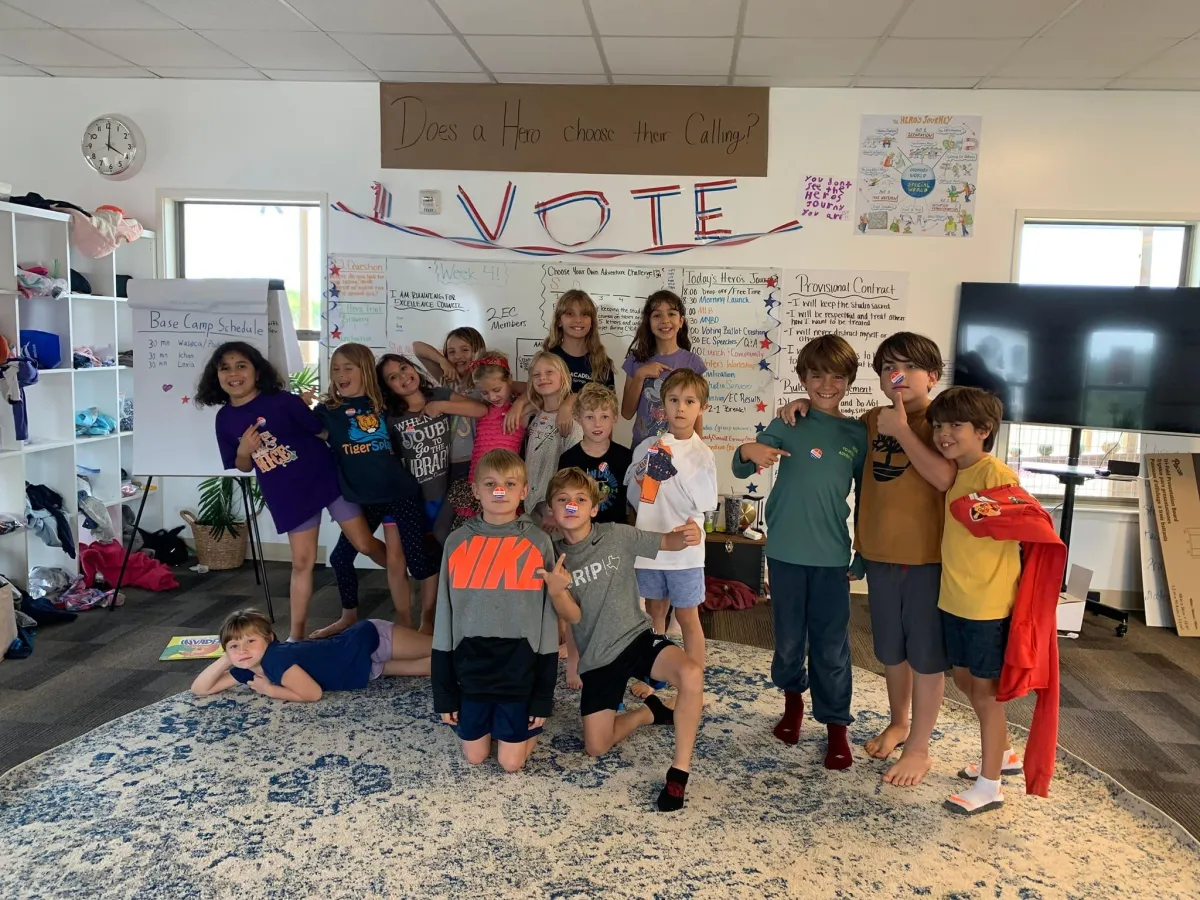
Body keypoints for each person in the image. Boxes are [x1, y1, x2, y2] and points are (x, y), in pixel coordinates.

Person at [777, 332, 955, 788]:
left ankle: (919, 747)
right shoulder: (871, 421)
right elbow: (830, 429)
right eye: (889, 367)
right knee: (891, 651)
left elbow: (943, 477)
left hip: (924, 558)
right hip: (878, 556)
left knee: (925, 656)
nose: (898, 375)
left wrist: (903, 432)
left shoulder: (942, 419)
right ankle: (899, 723)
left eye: (909, 367)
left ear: (933, 376)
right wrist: (801, 403)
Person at [195, 341, 389, 642]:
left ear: (257, 372)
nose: (233, 374)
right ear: (216, 376)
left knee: (365, 544)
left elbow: (322, 432)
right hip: (287, 495)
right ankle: (296, 636)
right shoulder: (225, 419)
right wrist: (245, 450)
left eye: (241, 366)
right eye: (225, 368)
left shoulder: (282, 401)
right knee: (302, 563)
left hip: (325, 479)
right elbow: (242, 465)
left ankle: (413, 576)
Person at [734, 335, 867, 771]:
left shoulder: (857, 434)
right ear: (803, 378)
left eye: (836, 377)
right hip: (786, 554)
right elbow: (741, 465)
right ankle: (793, 704)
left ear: (849, 380)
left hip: (831, 558)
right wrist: (748, 450)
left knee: (831, 648)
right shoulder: (789, 420)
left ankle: (836, 728)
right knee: (789, 641)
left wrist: (863, 551)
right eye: (816, 375)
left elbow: (867, 498)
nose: (826, 385)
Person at [544, 467, 705, 811]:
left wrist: (690, 534)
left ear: (594, 508)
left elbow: (668, 542)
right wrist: (557, 592)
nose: (571, 505)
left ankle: (679, 772)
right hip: (597, 659)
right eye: (562, 500)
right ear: (552, 510)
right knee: (596, 746)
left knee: (691, 673)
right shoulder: (553, 556)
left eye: (580, 499)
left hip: (637, 639)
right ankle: (649, 712)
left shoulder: (618, 535)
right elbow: (574, 617)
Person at [431, 450, 562, 773]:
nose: (499, 491)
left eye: (509, 484)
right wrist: (445, 695)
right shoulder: (457, 542)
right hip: (471, 671)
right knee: (475, 756)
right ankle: (492, 721)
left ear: (524, 491)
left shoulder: (539, 542)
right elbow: (444, 618)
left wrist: (542, 697)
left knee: (510, 763)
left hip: (519, 672)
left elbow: (547, 621)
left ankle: (520, 723)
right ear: (475, 491)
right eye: (490, 484)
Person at [928, 387, 1023, 815]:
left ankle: (990, 786)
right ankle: (1004, 754)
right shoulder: (956, 474)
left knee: (986, 695)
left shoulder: (995, 473)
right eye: (938, 425)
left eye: (955, 425)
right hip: (956, 598)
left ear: (984, 430)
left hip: (986, 604)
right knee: (966, 682)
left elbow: (1018, 522)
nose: (944, 433)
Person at [313, 343, 434, 637]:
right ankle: (348, 616)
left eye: (348, 367)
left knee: (419, 563)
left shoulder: (385, 403)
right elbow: (303, 433)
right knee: (340, 558)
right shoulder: (327, 411)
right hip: (363, 500)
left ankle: (429, 619)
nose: (340, 374)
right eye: (335, 369)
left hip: (400, 493)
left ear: (365, 370)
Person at [378, 353, 488, 630]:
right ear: (387, 386)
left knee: (433, 555)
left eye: (404, 368)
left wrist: (442, 405)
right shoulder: (390, 416)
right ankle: (403, 621)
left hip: (438, 493)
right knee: (397, 558)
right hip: (406, 497)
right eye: (393, 377)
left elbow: (480, 410)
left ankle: (427, 618)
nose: (403, 377)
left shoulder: (438, 395)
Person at [626, 368, 718, 668]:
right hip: (651, 546)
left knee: (687, 616)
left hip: (685, 555)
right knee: (654, 611)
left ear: (702, 408)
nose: (680, 407)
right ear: (663, 403)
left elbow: (706, 508)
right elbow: (636, 494)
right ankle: (655, 675)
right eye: (674, 399)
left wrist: (698, 530)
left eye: (689, 401)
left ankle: (694, 678)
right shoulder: (648, 447)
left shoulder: (701, 454)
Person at [191, 608, 432, 701]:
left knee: (441, 648)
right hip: (361, 668)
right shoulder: (249, 666)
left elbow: (312, 693)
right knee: (439, 666)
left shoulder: (276, 658)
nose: (242, 650)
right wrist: (227, 657)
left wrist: (271, 690)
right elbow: (200, 689)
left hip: (368, 641)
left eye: (250, 641)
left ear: (270, 639)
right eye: (234, 646)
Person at [444, 352, 526, 528]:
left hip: (503, 486)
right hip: (477, 485)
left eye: (496, 390)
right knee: (459, 532)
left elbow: (535, 390)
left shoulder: (521, 412)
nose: (492, 397)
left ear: (509, 380)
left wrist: (518, 404)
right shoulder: (481, 409)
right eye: (485, 392)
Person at [621, 290, 707, 447]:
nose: (665, 320)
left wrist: (698, 448)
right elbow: (626, 413)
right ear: (649, 322)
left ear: (681, 321)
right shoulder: (636, 360)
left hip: (680, 449)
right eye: (657, 315)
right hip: (643, 449)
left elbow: (697, 413)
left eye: (671, 314)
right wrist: (640, 375)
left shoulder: (693, 363)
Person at [517, 351, 583, 527]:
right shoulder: (534, 416)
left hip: (554, 509)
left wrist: (557, 509)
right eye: (536, 375)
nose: (542, 378)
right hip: (530, 504)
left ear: (564, 376)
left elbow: (573, 472)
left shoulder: (571, 420)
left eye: (549, 372)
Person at [414, 327, 487, 483]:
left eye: (465, 350)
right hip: (445, 461)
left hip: (475, 460)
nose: (458, 356)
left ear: (478, 351)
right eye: (451, 352)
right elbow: (417, 347)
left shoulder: (486, 382)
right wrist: (442, 361)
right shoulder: (447, 380)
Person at [543, 289, 615, 395]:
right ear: (559, 321)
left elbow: (610, 403)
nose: (578, 320)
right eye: (570, 314)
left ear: (592, 322)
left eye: (584, 314)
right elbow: (537, 398)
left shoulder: (602, 363)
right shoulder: (548, 359)